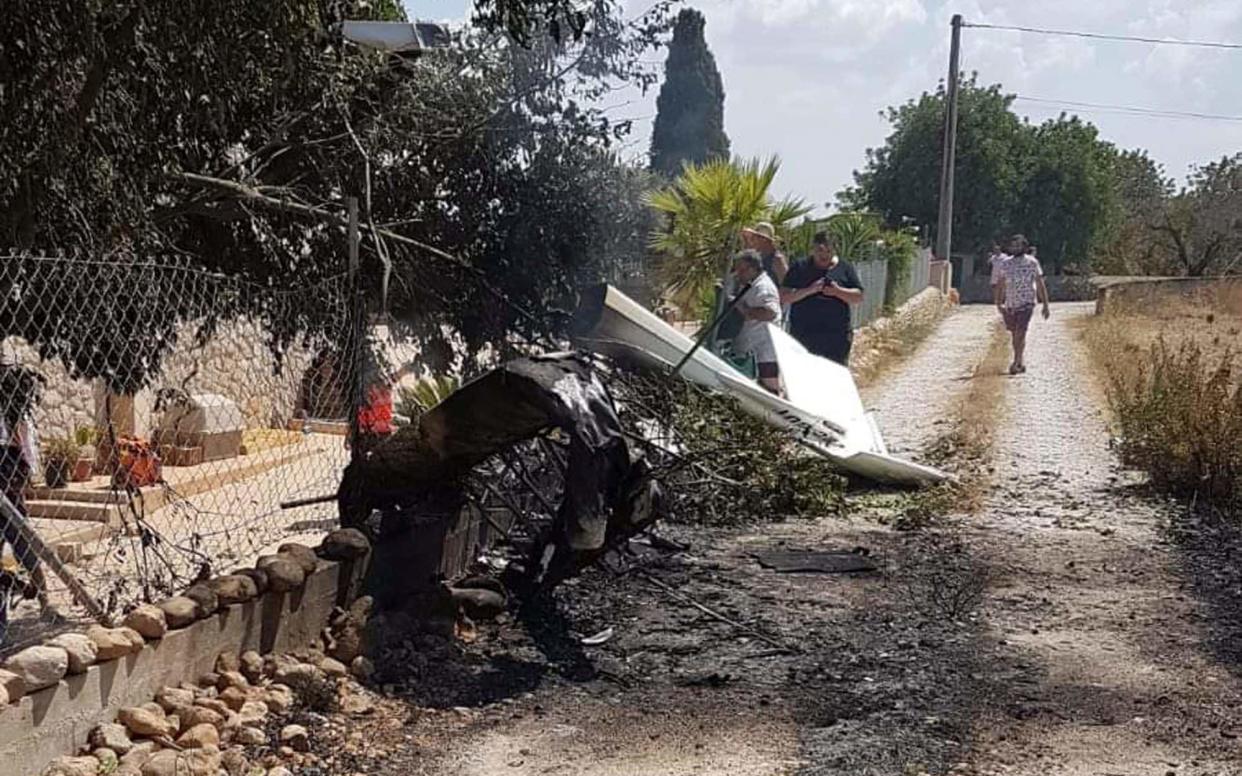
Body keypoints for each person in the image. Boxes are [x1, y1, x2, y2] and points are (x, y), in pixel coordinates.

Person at [0, 364, 54, 643]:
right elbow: (29, 459)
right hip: (10, 486)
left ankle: (43, 600)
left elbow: (27, 456)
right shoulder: (16, 416)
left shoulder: (14, 416)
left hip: (7, 485)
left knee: (23, 548)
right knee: (20, 548)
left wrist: (21, 482)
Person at [779, 231, 864, 366]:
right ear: (813, 249)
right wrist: (810, 290)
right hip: (804, 335)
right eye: (820, 250)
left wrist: (837, 291)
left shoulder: (844, 268)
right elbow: (784, 297)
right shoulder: (799, 267)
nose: (824, 255)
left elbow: (858, 297)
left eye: (828, 251)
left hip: (836, 337)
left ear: (835, 250)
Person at [993, 234, 1050, 375]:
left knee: (1021, 332)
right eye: (1014, 245)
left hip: (1027, 303)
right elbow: (1000, 285)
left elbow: (1040, 283)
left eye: (1019, 245)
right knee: (1014, 334)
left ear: (1024, 247)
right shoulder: (1005, 264)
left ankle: (1016, 362)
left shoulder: (1032, 263)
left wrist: (1045, 304)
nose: (1016, 248)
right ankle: (1020, 360)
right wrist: (998, 302)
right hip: (1011, 304)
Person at [729, 250, 783, 395]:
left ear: (753, 269)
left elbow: (770, 312)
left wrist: (746, 311)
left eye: (742, 270)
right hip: (747, 348)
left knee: (768, 392)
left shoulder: (763, 287)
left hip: (763, 352)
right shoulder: (748, 283)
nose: (738, 274)